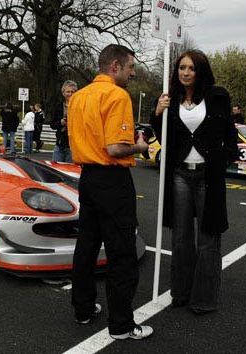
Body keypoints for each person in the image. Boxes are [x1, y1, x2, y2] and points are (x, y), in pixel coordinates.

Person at [68, 44, 152, 340]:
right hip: (112, 180)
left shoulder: (77, 97)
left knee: (86, 247)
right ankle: (121, 325)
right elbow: (115, 148)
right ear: (115, 66)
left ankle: (83, 308)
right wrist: (141, 147)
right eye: (130, 67)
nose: (133, 73)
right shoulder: (117, 95)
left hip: (87, 178)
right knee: (122, 253)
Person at [150, 50, 238, 314]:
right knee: (181, 238)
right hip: (179, 175)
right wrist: (157, 113)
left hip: (208, 176)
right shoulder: (170, 98)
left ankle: (204, 299)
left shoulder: (218, 96)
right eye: (181, 68)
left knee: (208, 238)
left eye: (191, 68)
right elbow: (162, 134)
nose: (185, 73)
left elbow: (229, 134)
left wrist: (222, 160)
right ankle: (181, 292)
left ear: (200, 71)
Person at [51, 80, 78, 162]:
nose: (70, 94)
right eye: (68, 92)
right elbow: (52, 125)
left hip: (73, 146)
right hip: (59, 144)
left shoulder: (80, 107)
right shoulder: (58, 107)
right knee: (55, 170)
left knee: (71, 172)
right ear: (63, 93)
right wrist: (60, 122)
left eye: (72, 92)